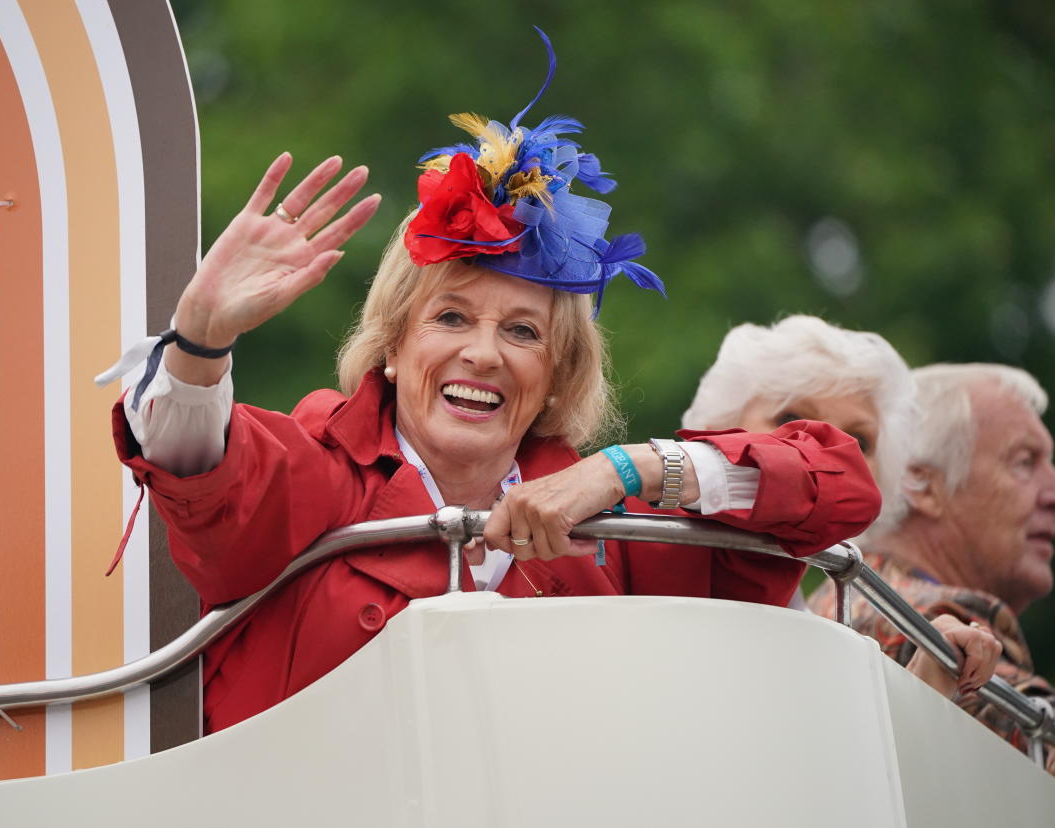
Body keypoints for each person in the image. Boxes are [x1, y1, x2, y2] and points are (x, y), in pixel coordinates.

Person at [104, 34, 881, 734]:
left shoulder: (624, 536)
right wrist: (200, 341)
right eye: (450, 318)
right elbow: (195, 463)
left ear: (554, 379)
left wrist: (630, 469)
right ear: (392, 348)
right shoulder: (315, 473)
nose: (483, 354)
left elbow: (843, 486)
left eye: (521, 332)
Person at [683, 317, 1003, 699]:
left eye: (858, 442)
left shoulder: (829, 630)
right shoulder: (639, 537)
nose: (822, 455)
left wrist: (928, 676)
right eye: (790, 420)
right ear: (719, 428)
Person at [808, 363, 1055, 768]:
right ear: (922, 485)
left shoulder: (834, 601)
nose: (1052, 492)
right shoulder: (935, 618)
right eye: (1024, 461)